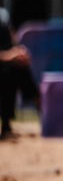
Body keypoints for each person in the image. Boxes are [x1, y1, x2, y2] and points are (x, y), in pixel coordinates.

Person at [0, 8, 39, 141]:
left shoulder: (3, 19)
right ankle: (40, 104)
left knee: (19, 68)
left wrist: (18, 52)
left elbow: (10, 45)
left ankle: (47, 117)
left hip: (4, 67)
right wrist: (10, 56)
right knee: (12, 71)